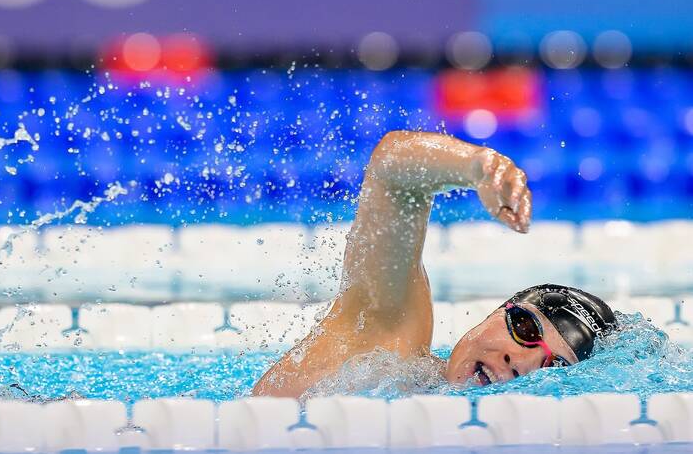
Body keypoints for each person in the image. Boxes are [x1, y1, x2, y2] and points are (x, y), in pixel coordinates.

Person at [253, 130, 616, 398]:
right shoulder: (382, 343)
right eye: (524, 327)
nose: (518, 361)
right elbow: (392, 173)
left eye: (553, 367)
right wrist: (481, 168)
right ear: (493, 314)